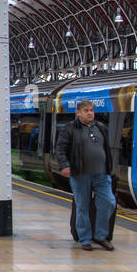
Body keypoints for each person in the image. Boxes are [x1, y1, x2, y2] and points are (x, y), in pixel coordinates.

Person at [54, 100, 116, 251]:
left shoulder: (100, 127)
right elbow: (60, 149)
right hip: (80, 173)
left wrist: (109, 167)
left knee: (109, 202)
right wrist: (65, 165)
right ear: (78, 113)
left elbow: (106, 149)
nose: (90, 113)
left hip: (101, 173)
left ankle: (100, 236)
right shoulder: (69, 128)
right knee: (82, 206)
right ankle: (85, 238)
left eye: (91, 110)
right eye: (86, 110)